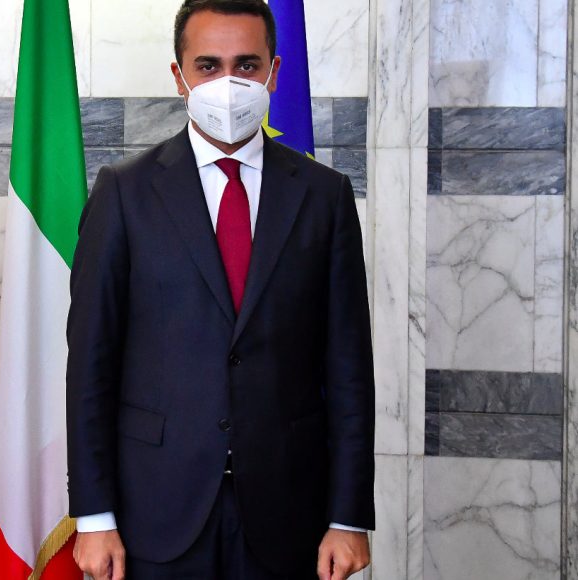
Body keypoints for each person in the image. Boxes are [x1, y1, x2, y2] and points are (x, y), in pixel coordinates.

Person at [65, 1, 375, 578]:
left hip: (289, 514)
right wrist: (93, 515)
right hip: (153, 512)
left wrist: (349, 516)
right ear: (179, 76)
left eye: (246, 65)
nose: (228, 83)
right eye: (208, 66)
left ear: (274, 73)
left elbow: (349, 369)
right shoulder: (124, 193)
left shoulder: (324, 195)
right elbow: (90, 366)